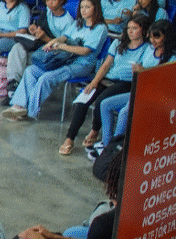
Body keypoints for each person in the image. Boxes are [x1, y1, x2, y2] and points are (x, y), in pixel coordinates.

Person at [3, 0, 107, 121]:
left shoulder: (100, 28)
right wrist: (52, 42)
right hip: (64, 59)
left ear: (95, 9)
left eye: (87, 7)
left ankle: (29, 112)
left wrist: (61, 47)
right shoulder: (77, 23)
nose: (83, 10)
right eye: (82, 7)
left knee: (46, 78)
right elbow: (63, 37)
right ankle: (18, 106)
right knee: (31, 71)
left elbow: (85, 51)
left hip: (81, 64)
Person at [60, 15, 150, 155]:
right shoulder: (119, 43)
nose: (130, 31)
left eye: (135, 28)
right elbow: (106, 64)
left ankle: (95, 130)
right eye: (129, 28)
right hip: (108, 78)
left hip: (126, 83)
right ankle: (69, 138)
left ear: (143, 30)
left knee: (102, 99)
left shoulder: (147, 48)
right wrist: (94, 82)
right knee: (84, 98)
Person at [93, 18, 176, 154]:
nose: (153, 40)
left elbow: (166, 87)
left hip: (156, 98)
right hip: (141, 90)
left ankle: (114, 151)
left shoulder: (173, 59)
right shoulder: (150, 50)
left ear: (167, 37)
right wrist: (139, 72)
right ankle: (106, 143)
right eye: (151, 37)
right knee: (105, 104)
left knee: (124, 113)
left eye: (157, 37)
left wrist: (144, 73)